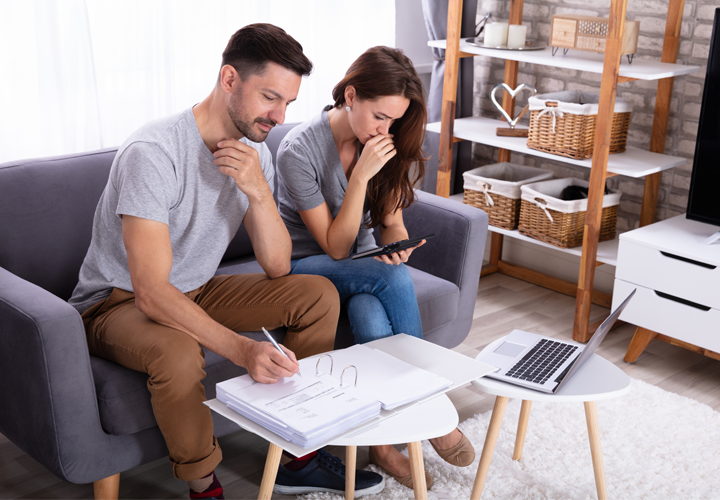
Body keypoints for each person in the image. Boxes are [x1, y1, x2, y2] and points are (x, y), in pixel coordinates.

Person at [69, 24, 383, 500]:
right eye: (270, 98)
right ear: (230, 79)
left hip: (198, 286)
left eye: (289, 105)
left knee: (316, 294)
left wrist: (258, 192)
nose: (278, 116)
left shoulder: (257, 151)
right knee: (176, 352)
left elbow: (278, 267)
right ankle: (203, 485)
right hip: (117, 302)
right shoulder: (154, 154)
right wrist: (242, 350)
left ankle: (297, 454)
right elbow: (151, 291)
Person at [276, 46, 476, 490]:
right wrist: (361, 176)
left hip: (363, 267)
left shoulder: (385, 142)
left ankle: (384, 446)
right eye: (380, 116)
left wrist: (396, 246)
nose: (386, 129)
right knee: (387, 277)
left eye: (395, 120)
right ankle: (431, 406)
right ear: (351, 95)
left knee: (370, 310)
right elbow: (336, 244)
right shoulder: (299, 150)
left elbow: (389, 222)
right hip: (306, 267)